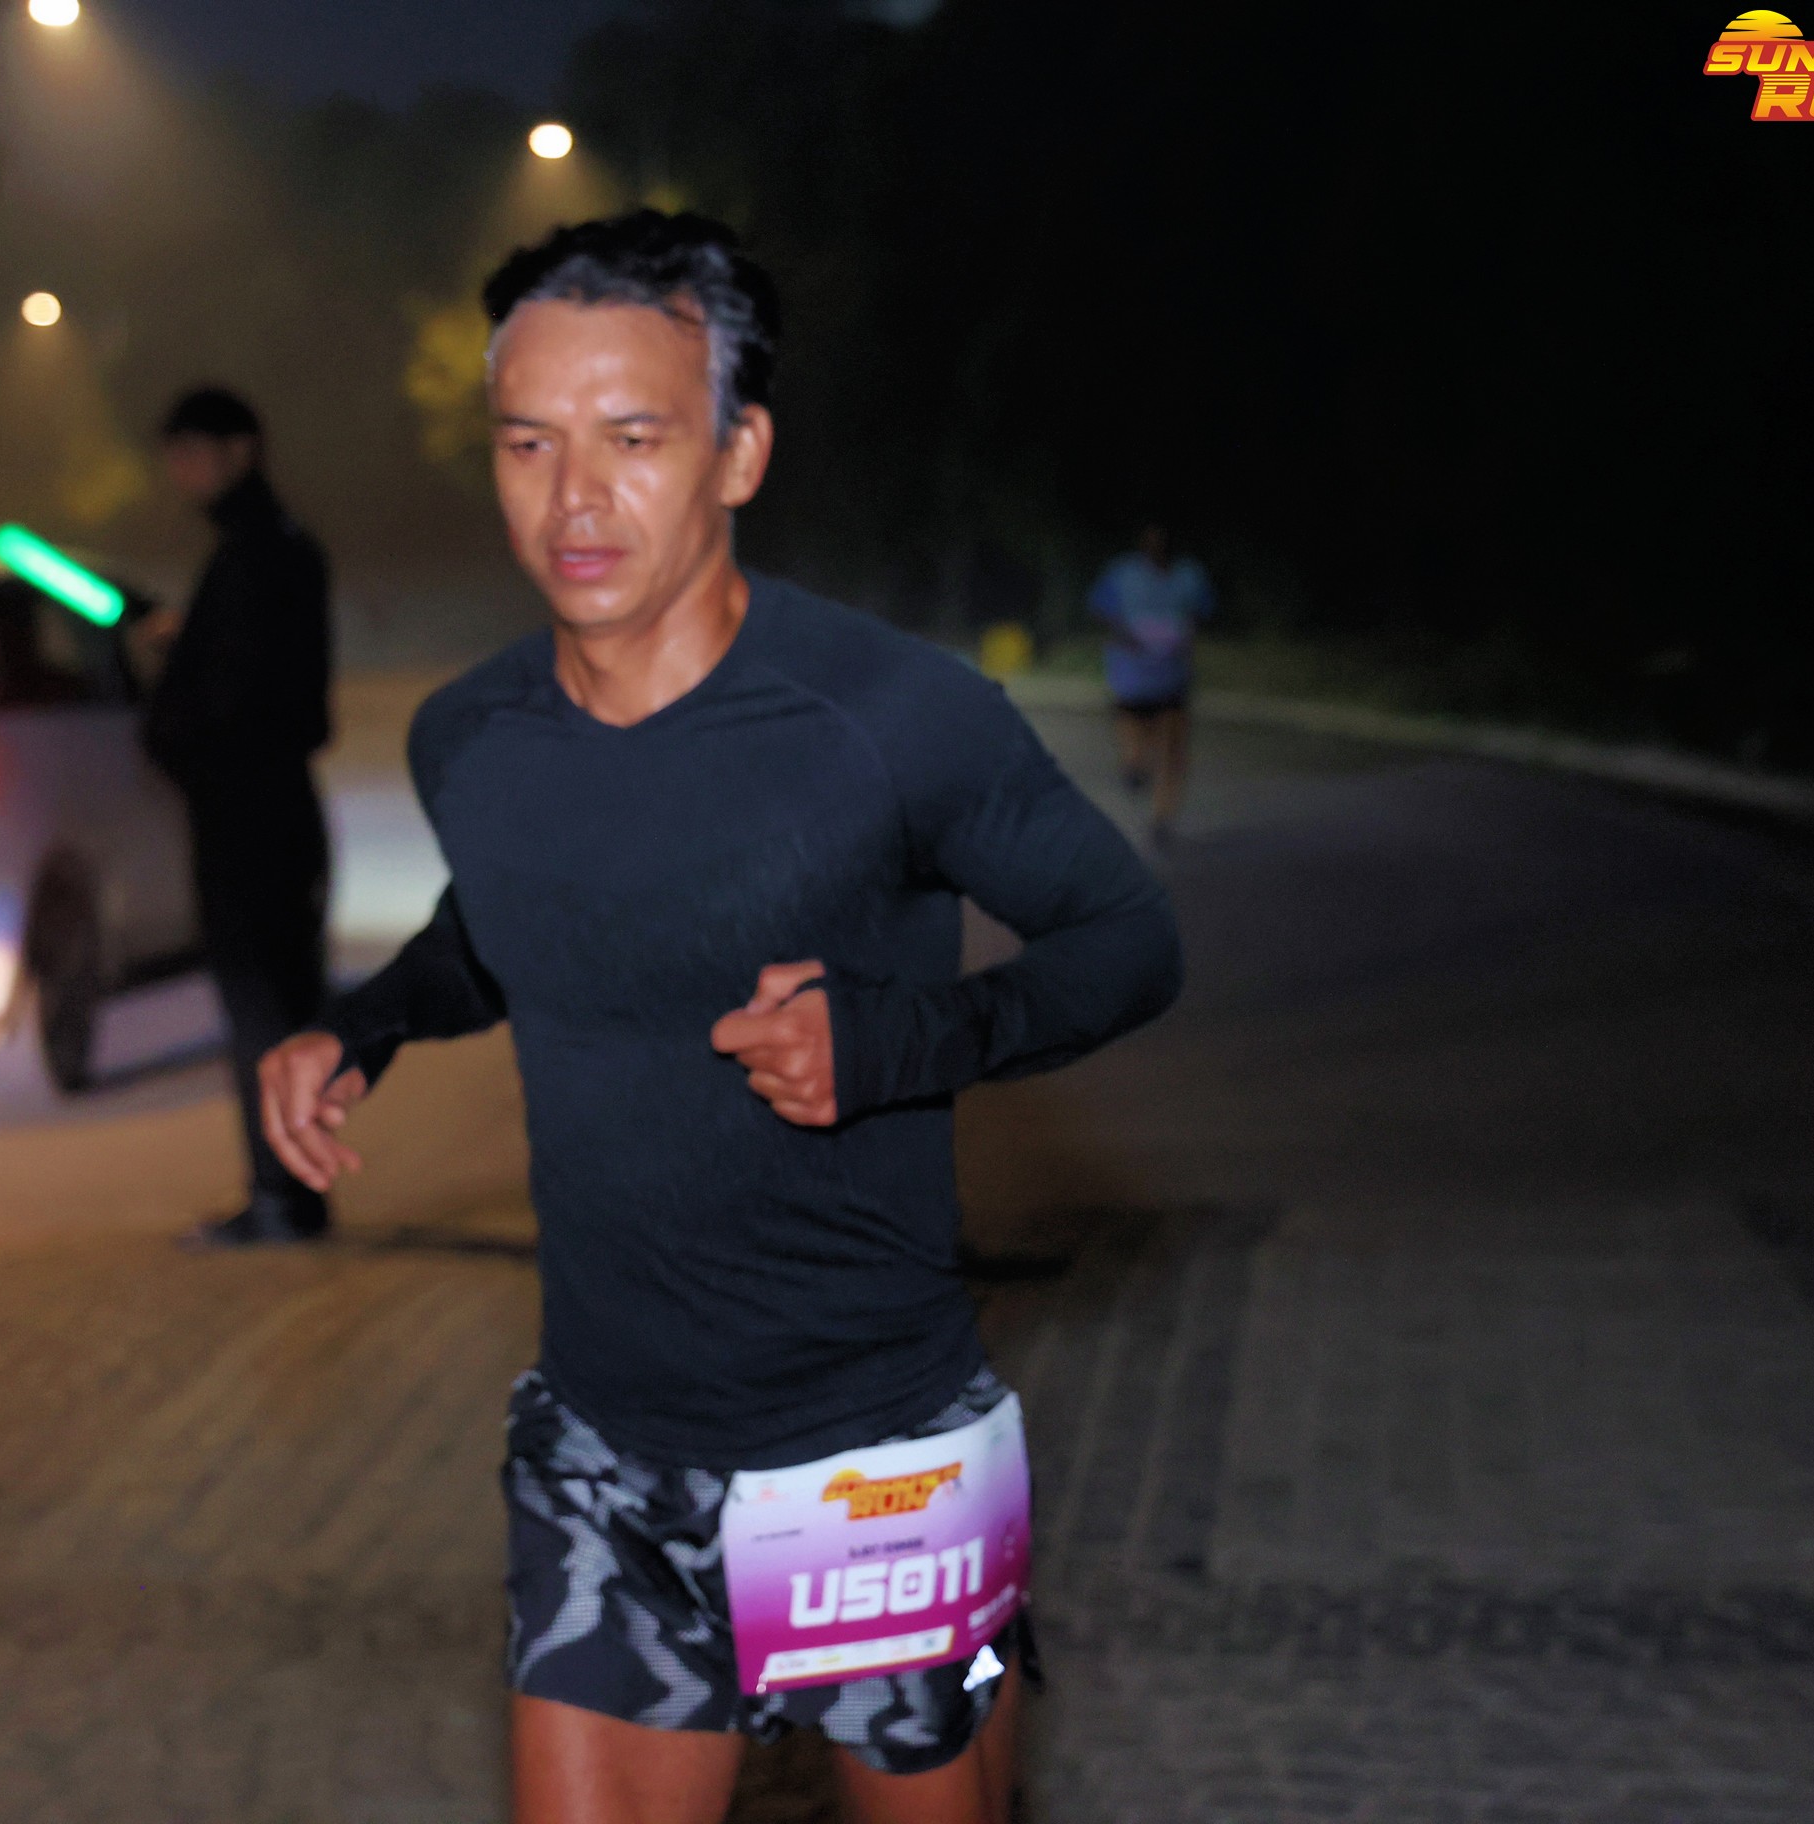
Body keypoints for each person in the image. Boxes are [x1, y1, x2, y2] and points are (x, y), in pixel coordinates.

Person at [253, 212, 1181, 1824]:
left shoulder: (896, 719)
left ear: (739, 453)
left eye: (633, 439)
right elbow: (507, 929)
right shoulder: (473, 738)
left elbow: (1129, 939)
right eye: (528, 443)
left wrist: (894, 1041)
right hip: (605, 1445)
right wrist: (367, 1023)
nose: (574, 498)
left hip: (874, 1453)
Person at [141, 385, 335, 1247]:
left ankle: (281, 1195)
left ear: (238, 450)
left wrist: (176, 708)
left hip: (247, 818)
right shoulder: (274, 548)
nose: (183, 471)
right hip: (275, 810)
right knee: (282, 1006)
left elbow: (241, 697)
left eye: (194, 451)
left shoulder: (253, 556)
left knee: (264, 1011)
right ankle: (292, 1191)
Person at [1086, 524, 1213, 846]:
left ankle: (1162, 817)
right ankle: (1134, 765)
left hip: (1172, 676)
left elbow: (1202, 611)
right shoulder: (1123, 573)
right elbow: (1099, 607)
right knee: (1134, 734)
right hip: (1132, 677)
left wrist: (1185, 633)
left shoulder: (1188, 575)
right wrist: (1124, 633)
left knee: (1172, 749)